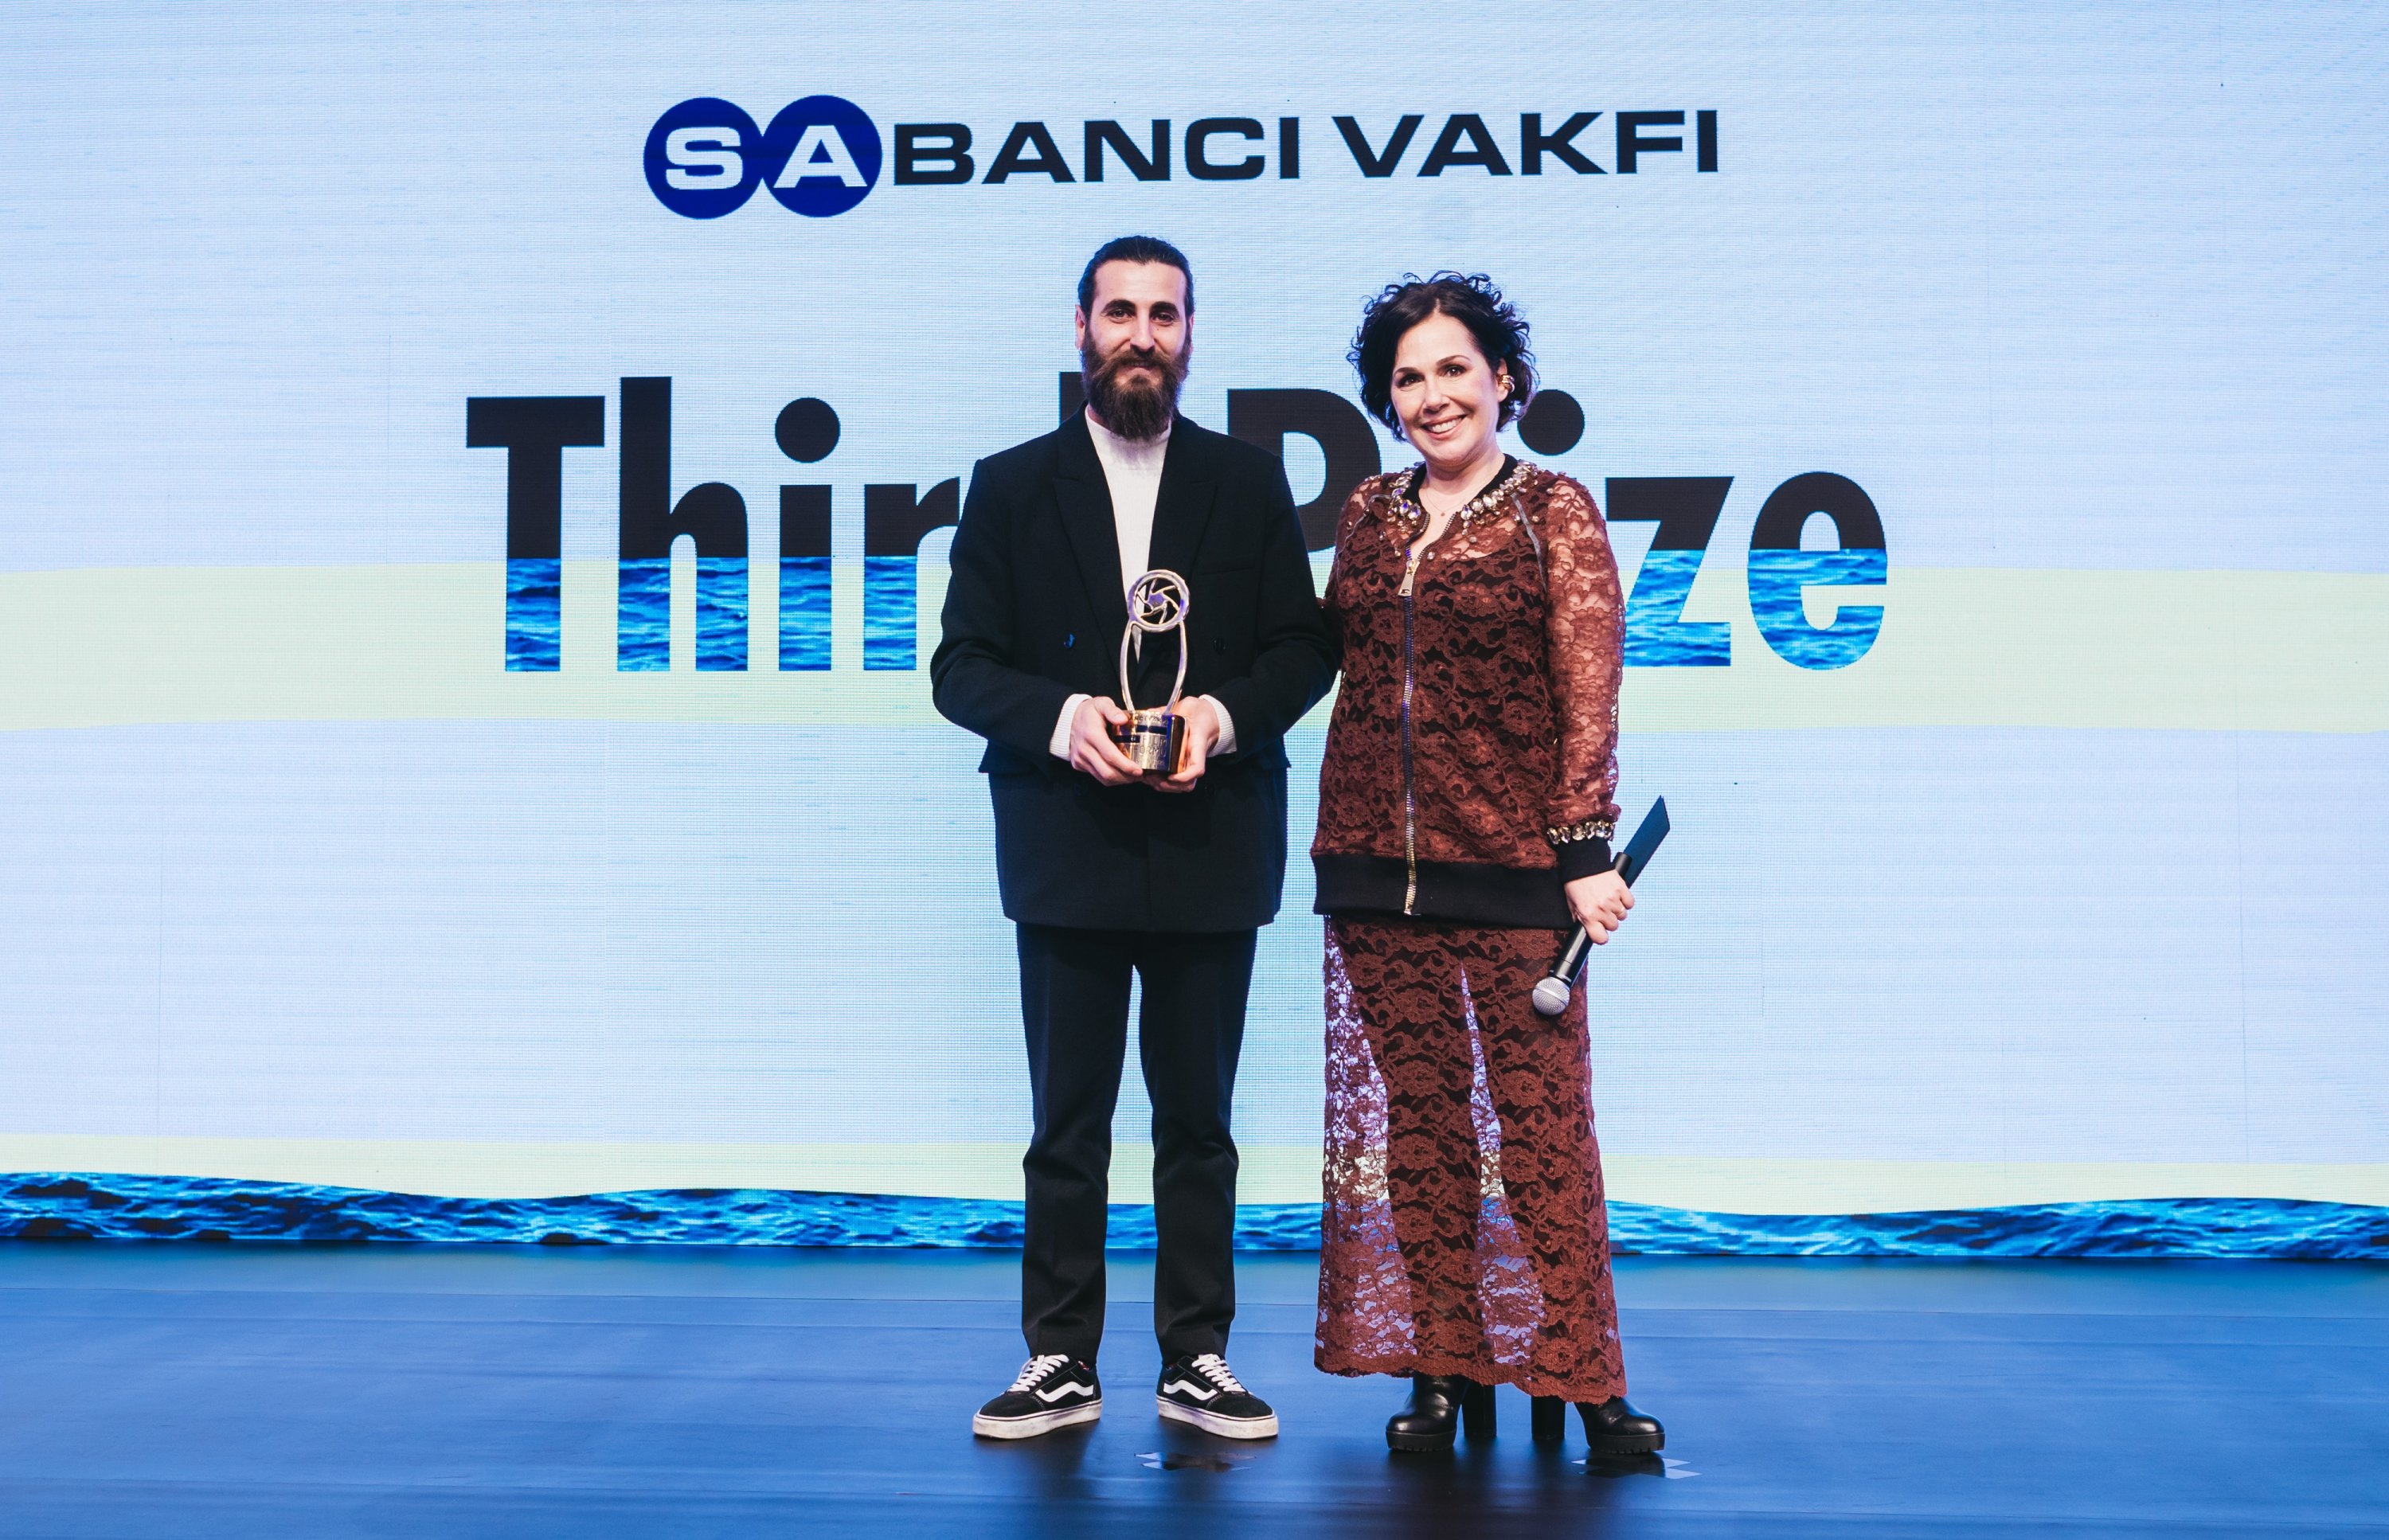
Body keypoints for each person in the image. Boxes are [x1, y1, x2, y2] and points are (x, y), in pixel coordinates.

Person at [932, 236, 1335, 1442]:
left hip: (1213, 838)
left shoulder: (1250, 480)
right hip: (1066, 842)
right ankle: (1059, 1356)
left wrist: (1219, 713)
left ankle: (1196, 1357)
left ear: (1191, 334)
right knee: (1068, 1125)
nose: (1141, 334)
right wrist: (1063, 720)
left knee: (1198, 1127)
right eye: (1121, 311)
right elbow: (959, 666)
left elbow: (1304, 648)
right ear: (1081, 329)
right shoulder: (1007, 484)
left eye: (1165, 313)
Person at [1308, 272, 1664, 1456]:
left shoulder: (1551, 512)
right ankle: (1447, 1368)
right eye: (1408, 377)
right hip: (1371, 866)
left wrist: (1584, 848)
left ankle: (1580, 1375)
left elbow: (1589, 689)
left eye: (1454, 368)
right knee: (1421, 1133)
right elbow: (1328, 656)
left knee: (1543, 1129)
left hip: (1518, 875)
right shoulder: (1368, 513)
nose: (1432, 394)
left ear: (1504, 377)